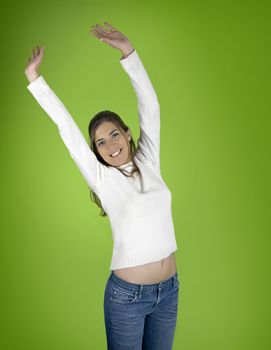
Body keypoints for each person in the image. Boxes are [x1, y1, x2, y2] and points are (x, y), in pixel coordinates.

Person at [24, 21, 179, 350]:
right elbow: (66, 128)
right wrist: (35, 81)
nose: (109, 145)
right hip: (127, 299)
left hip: (169, 292)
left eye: (113, 134)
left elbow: (151, 107)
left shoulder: (149, 161)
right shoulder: (103, 179)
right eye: (100, 143)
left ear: (126, 133)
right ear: (96, 153)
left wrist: (128, 52)